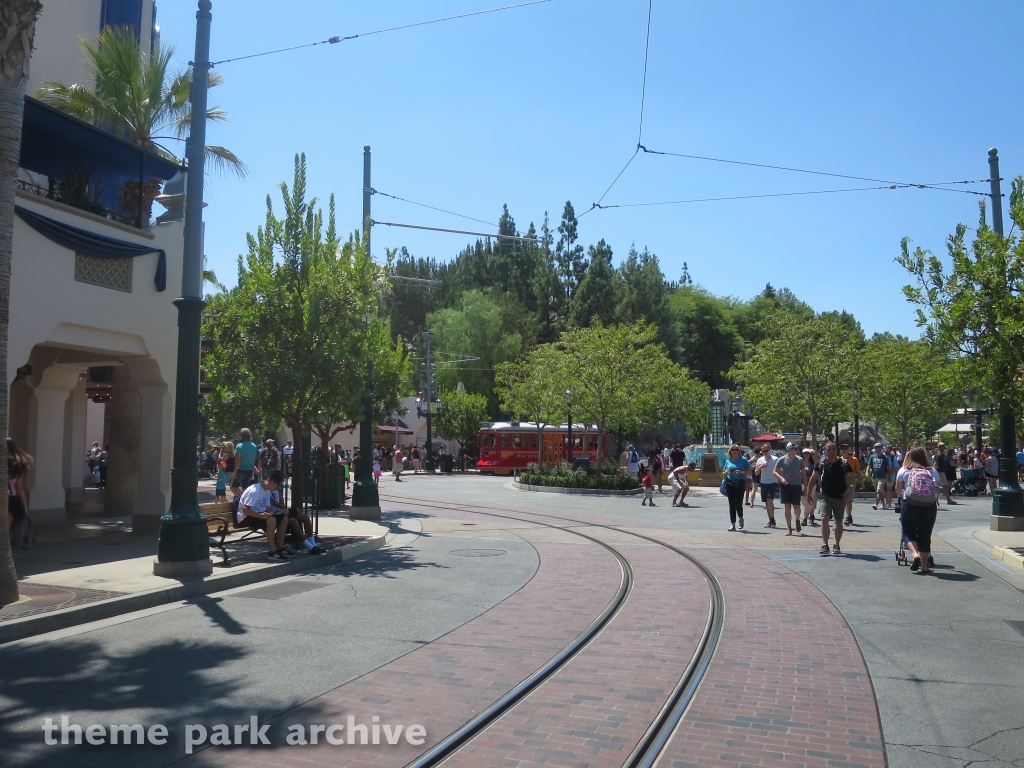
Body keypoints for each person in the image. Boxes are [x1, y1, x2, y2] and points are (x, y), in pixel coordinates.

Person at [895, 446, 940, 573]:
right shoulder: (932, 471)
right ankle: (924, 566)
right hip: (929, 505)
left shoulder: (904, 470)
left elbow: (898, 490)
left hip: (910, 504)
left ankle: (915, 555)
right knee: (925, 534)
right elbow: (936, 486)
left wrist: (901, 496)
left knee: (908, 532)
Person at [807, 442, 854, 555]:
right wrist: (808, 493)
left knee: (838, 521)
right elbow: (813, 478)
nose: (832, 451)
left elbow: (852, 478)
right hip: (826, 496)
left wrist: (850, 489)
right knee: (824, 518)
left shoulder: (843, 463)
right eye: (829, 449)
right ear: (825, 450)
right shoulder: (821, 463)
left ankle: (836, 544)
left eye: (833, 449)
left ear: (836, 450)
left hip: (840, 496)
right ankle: (825, 545)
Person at [236, 470, 292, 561]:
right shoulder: (255, 490)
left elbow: (267, 508)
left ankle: (280, 548)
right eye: (277, 486)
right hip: (245, 517)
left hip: (258, 515)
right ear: (272, 482)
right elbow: (245, 510)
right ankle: (272, 552)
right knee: (271, 520)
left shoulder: (267, 491)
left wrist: (280, 511)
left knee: (283, 518)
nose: (277, 488)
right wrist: (260, 516)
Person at [773, 442, 806, 535]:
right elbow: (774, 471)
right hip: (785, 486)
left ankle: (797, 520)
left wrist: (806, 487)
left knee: (796, 506)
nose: (797, 450)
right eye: (795, 449)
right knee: (787, 506)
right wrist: (781, 478)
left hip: (796, 485)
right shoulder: (782, 459)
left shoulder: (800, 460)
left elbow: (803, 474)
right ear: (790, 450)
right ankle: (789, 528)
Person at [7, 437, 34, 534]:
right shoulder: (16, 466)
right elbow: (20, 488)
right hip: (11, 499)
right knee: (7, 528)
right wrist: (25, 507)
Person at [722, 444, 750, 531]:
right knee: (731, 504)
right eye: (733, 450)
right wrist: (725, 472)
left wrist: (741, 472)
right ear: (730, 451)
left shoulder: (743, 460)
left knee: (738, 503)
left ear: (739, 451)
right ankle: (733, 523)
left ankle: (740, 517)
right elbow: (724, 471)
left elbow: (750, 472)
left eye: (736, 450)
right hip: (730, 483)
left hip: (740, 483)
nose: (734, 451)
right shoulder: (728, 460)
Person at [756, 446, 779, 528]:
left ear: (770, 450)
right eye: (763, 451)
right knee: (766, 502)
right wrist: (760, 467)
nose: (765, 452)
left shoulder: (775, 459)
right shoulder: (760, 460)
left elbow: (779, 470)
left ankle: (772, 519)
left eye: (766, 451)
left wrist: (781, 479)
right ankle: (770, 520)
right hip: (764, 482)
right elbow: (756, 473)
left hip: (773, 481)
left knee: (769, 499)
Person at [866, 443, 890, 510]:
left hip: (882, 476)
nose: (878, 449)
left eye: (879, 447)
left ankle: (876, 504)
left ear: (881, 448)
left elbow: (888, 467)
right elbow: (869, 465)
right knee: (879, 491)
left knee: (879, 490)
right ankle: (883, 504)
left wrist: (889, 476)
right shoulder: (872, 457)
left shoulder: (884, 457)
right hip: (874, 476)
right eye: (876, 447)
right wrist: (867, 472)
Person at [842, 444, 860, 525]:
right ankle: (848, 516)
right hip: (842, 481)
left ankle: (848, 516)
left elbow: (858, 471)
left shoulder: (854, 459)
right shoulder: (839, 460)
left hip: (851, 481)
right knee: (843, 500)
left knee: (848, 500)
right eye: (842, 448)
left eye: (846, 448)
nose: (844, 450)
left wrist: (862, 483)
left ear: (848, 449)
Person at [802, 448, 818, 527]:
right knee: (805, 501)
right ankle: (811, 515)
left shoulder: (813, 465)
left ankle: (805, 519)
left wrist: (820, 484)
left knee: (808, 501)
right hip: (802, 484)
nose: (806, 455)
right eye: (804, 453)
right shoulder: (800, 463)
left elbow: (816, 475)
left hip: (811, 485)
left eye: (808, 453)